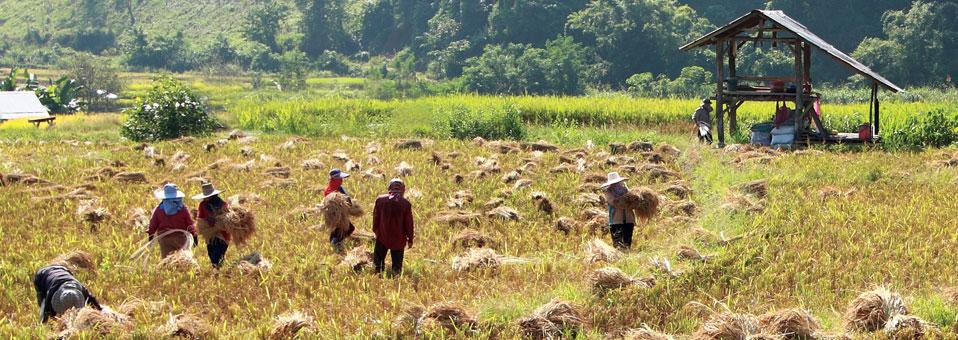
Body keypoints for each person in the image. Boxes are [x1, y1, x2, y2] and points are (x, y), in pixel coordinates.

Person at [372, 178, 415, 275]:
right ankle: (396, 280)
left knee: (378, 264)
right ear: (403, 189)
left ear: (390, 188)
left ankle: (378, 278)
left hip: (382, 236)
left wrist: (376, 231)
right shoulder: (406, 204)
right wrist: (410, 239)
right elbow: (409, 223)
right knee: (397, 266)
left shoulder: (380, 200)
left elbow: (375, 218)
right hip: (398, 239)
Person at [33, 265, 102, 323]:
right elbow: (47, 311)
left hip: (61, 269)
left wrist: (100, 312)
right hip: (41, 275)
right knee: (42, 303)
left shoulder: (80, 289)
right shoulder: (51, 295)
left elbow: (92, 300)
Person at [148, 183, 197, 258]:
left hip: (165, 239)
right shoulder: (182, 208)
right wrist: (194, 235)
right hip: (180, 238)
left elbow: (153, 225)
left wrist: (150, 236)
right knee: (182, 258)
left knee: (167, 260)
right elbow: (189, 224)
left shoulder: (159, 209)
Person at [193, 181, 230, 268]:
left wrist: (217, 222)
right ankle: (217, 272)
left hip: (222, 235)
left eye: (208, 197)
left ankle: (218, 272)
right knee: (211, 254)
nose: (206, 198)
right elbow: (201, 218)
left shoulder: (223, 205)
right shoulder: (203, 205)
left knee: (217, 256)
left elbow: (226, 220)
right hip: (210, 235)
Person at [601, 172, 636, 250]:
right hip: (616, 220)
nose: (616, 184)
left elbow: (632, 202)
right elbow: (613, 202)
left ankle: (627, 255)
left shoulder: (626, 190)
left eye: (617, 182)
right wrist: (625, 200)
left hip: (628, 219)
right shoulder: (608, 192)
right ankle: (618, 256)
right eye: (614, 183)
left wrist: (634, 201)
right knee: (618, 242)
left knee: (627, 240)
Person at [323, 169, 355, 251]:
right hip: (336, 215)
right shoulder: (330, 191)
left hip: (341, 213)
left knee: (339, 229)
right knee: (348, 228)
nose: (341, 180)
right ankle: (335, 243)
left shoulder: (339, 187)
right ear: (334, 179)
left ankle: (335, 242)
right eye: (340, 179)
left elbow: (346, 198)